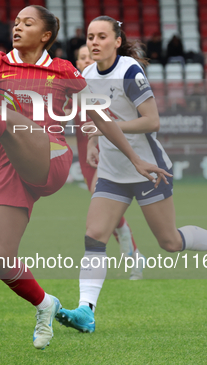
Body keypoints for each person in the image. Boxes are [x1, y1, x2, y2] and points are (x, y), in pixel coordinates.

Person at [0, 6, 170, 349]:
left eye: (27, 23)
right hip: (10, 168)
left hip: (51, 157)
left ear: (46, 35)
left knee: (3, 115)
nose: (17, 27)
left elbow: (101, 117)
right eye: (15, 22)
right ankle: (46, 305)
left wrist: (135, 158)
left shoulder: (63, 70)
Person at [55, 16, 207, 335]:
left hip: (148, 167)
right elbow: (97, 116)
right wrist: (93, 140)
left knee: (170, 242)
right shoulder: (87, 75)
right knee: (94, 236)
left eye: (101, 36)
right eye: (90, 36)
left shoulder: (130, 72)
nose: (93, 42)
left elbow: (152, 122)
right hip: (112, 170)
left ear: (117, 41)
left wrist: (108, 130)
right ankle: (86, 311)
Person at [71, 44, 146, 280]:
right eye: (80, 58)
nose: (84, 61)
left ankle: (131, 251)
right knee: (105, 213)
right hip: (86, 154)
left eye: (87, 57)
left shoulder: (103, 85)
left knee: (100, 200)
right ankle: (132, 253)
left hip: (107, 150)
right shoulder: (75, 88)